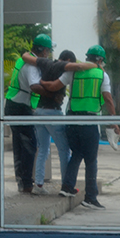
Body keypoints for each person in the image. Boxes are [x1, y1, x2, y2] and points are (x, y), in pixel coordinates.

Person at [41, 45, 119, 210]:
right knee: (91, 160)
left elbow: (54, 86)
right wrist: (114, 120)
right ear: (99, 60)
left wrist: (42, 83)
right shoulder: (102, 75)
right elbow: (108, 99)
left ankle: (67, 186)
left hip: (72, 119)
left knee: (76, 154)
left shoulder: (73, 72)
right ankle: (90, 197)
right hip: (89, 121)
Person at [20, 50, 89, 194]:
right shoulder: (63, 66)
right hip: (53, 112)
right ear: (68, 60)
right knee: (64, 150)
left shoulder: (46, 62)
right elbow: (79, 67)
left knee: (43, 149)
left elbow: (26, 57)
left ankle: (38, 185)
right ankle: (66, 185)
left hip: (39, 111)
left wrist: (26, 54)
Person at [4, 34, 53, 194]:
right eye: (48, 51)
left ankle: (22, 183)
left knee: (20, 147)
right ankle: (26, 183)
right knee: (29, 146)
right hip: (20, 107)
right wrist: (52, 93)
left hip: (13, 105)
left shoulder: (24, 59)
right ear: (43, 51)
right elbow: (34, 86)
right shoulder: (31, 66)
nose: (48, 54)